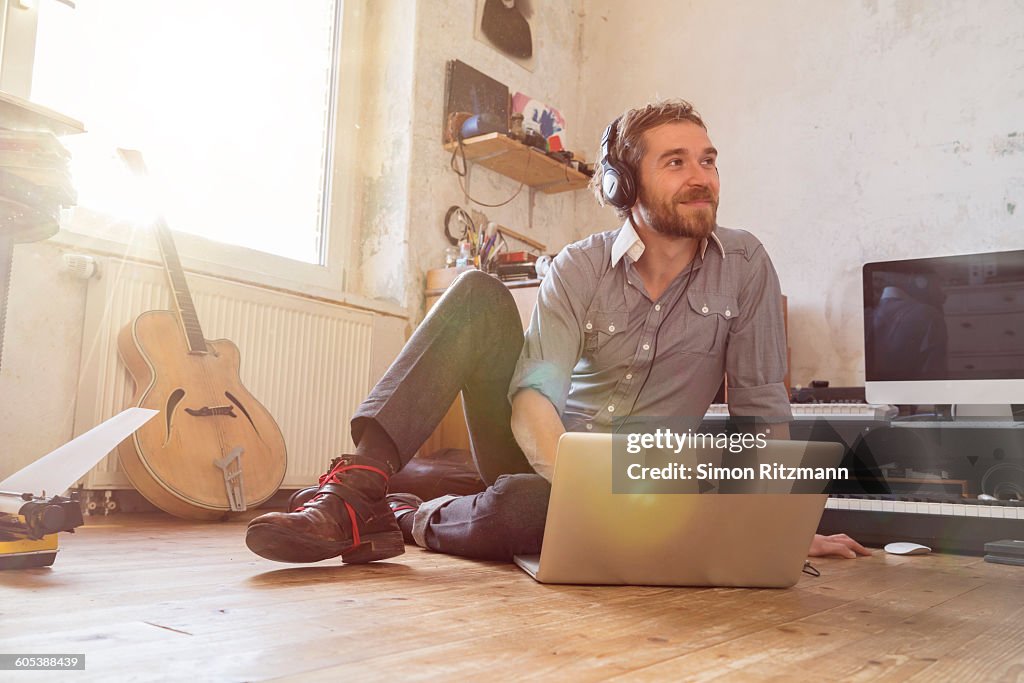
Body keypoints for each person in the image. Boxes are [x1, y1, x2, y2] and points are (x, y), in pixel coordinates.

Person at [245, 99, 870, 564]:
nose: (701, 176)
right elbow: (535, 397)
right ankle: (358, 489)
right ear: (625, 184)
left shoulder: (747, 265)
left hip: (641, 482)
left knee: (522, 510)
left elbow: (761, 404)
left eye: (707, 160)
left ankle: (411, 516)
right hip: (547, 449)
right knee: (478, 293)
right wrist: (582, 487)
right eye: (675, 162)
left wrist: (776, 525)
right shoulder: (579, 266)